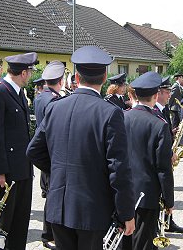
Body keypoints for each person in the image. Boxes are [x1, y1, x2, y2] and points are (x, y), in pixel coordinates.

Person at [27, 45, 135, 250]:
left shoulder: (55, 107)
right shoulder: (110, 113)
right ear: (105, 78)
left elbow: (33, 151)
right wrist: (126, 214)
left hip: (59, 207)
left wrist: (61, 171)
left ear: (76, 77)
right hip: (92, 209)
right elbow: (119, 169)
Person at [0, 52, 37, 250]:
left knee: (20, 224)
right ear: (23, 73)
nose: (30, 76)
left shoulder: (18, 93)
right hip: (4, 174)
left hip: (22, 170)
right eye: (30, 72)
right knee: (1, 228)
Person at [122, 72, 174, 249]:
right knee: (144, 242)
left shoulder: (121, 117)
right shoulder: (159, 124)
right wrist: (169, 201)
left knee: (123, 242)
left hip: (122, 191)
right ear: (155, 95)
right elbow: (163, 168)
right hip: (148, 195)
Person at [33, 61, 66, 250]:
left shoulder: (40, 97)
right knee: (54, 196)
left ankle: (48, 234)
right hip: (52, 152)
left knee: (50, 194)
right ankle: (49, 234)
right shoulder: (54, 100)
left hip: (44, 151)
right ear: (60, 81)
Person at [153, 76, 183, 234]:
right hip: (161, 160)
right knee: (162, 192)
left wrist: (172, 134)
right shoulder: (154, 111)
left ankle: (168, 221)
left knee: (166, 190)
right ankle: (161, 223)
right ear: (158, 93)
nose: (169, 95)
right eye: (167, 92)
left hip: (168, 154)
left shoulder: (164, 109)